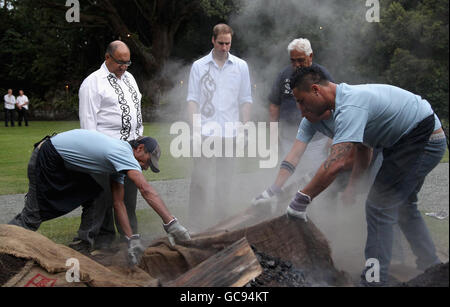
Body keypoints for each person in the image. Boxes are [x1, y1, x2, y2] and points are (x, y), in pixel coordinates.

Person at [279, 66, 445, 286]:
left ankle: (373, 281)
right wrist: (352, 187)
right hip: (406, 140)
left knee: (379, 206)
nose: (300, 110)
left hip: (422, 138)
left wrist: (302, 199)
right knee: (404, 203)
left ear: (316, 90)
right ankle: (432, 265)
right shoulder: (338, 106)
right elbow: (364, 150)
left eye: (301, 101)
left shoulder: (350, 106)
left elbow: (336, 162)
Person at [9, 129, 191, 265]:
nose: (145, 167)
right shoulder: (123, 153)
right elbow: (146, 189)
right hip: (47, 157)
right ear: (140, 148)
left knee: (97, 196)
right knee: (33, 216)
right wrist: (171, 224)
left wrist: (131, 239)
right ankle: (6, 246)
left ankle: (82, 245)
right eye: (147, 161)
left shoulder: (120, 161)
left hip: (61, 162)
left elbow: (118, 203)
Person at [76, 40, 143, 250]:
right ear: (107, 58)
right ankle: (103, 241)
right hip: (104, 148)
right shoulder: (92, 83)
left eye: (127, 62)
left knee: (129, 196)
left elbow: (136, 109)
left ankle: (130, 238)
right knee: (103, 197)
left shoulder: (130, 77)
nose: (124, 67)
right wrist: (95, 154)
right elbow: (88, 122)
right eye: (120, 62)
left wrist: (139, 139)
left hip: (130, 148)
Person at [186, 23, 253, 231]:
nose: (225, 48)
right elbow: (192, 100)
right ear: (213, 41)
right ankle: (195, 224)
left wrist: (245, 128)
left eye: (228, 44)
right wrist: (195, 130)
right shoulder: (199, 66)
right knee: (199, 180)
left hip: (231, 132)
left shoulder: (241, 66)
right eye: (221, 43)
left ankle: (220, 223)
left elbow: (245, 99)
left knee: (225, 181)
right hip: (205, 131)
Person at [268, 38, 334, 165]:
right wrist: (273, 135)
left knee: (313, 176)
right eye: (293, 60)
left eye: (300, 60)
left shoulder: (322, 74)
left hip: (316, 140)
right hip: (289, 138)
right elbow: (274, 105)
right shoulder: (284, 75)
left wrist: (333, 136)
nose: (296, 64)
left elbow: (334, 105)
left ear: (310, 56)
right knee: (290, 175)